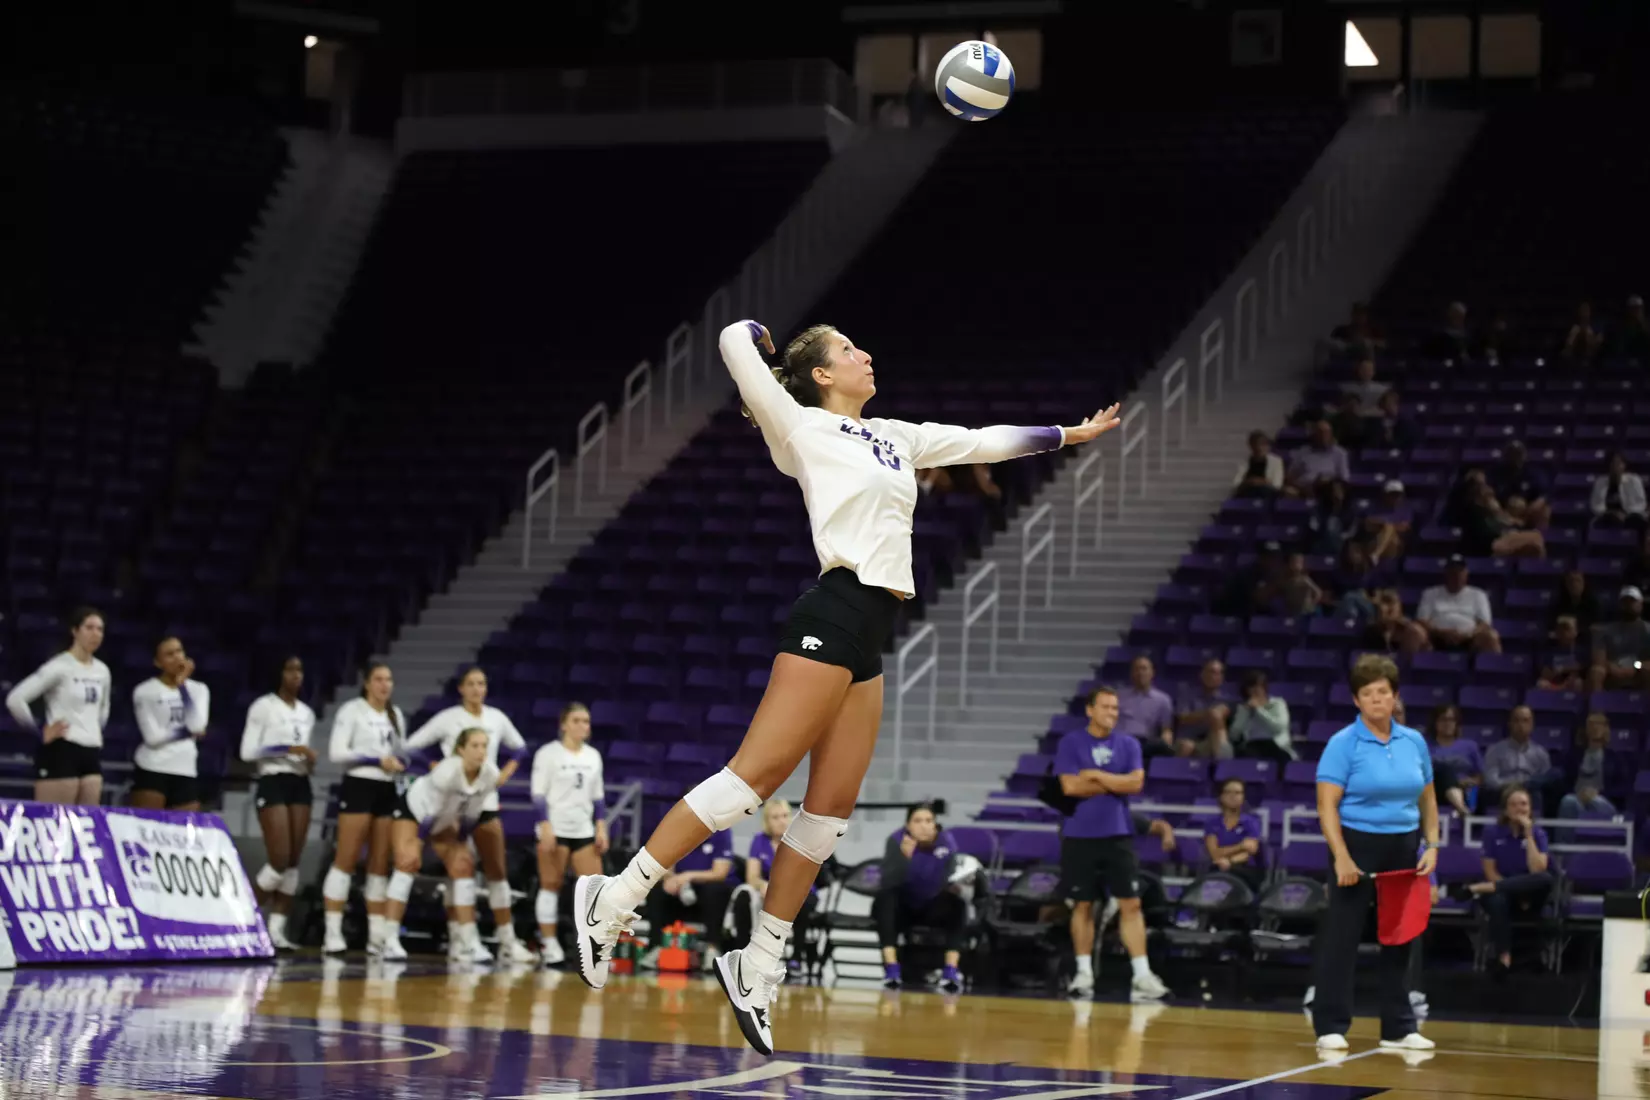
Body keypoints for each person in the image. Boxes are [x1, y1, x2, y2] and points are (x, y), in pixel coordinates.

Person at [571, 320, 1123, 1054]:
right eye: (849, 350)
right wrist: (761, 335)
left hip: (872, 628)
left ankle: (758, 963)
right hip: (833, 609)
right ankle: (613, 898)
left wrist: (1066, 435)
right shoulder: (796, 425)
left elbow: (980, 440)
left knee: (828, 814)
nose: (867, 353)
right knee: (754, 780)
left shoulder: (895, 434)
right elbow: (735, 345)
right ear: (823, 375)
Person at [1312, 654, 1437, 1053]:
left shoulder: (1414, 741)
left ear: (1395, 696)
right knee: (1343, 936)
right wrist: (1341, 856)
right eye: (1367, 693)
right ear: (1357, 701)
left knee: (1401, 937)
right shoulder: (1342, 744)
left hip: (1403, 845)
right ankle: (1330, 1025)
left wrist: (1431, 844)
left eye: (1383, 691)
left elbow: (1428, 799)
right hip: (1355, 842)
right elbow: (1326, 805)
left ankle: (1399, 1027)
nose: (1376, 699)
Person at [405, 668, 535, 964]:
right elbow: (411, 746)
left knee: (497, 871)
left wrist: (505, 774)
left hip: (485, 801)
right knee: (458, 868)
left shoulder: (497, 718)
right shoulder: (448, 718)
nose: (478, 689)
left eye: (482, 684)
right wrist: (437, 765)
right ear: (461, 688)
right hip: (453, 804)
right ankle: (459, 939)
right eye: (472, 684)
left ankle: (507, 942)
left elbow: (520, 748)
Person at [1056, 686, 1168, 1001]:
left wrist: (1095, 776)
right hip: (1079, 835)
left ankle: (1142, 975)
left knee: (1131, 903)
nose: (1112, 713)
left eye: (1116, 708)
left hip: (1118, 834)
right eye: (1106, 707)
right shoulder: (1071, 743)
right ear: (1090, 710)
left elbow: (1136, 783)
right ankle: (1083, 973)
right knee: (1082, 905)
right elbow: (1069, 786)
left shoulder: (1129, 743)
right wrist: (1113, 782)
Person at [380, 728, 501, 961]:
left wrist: (461, 844)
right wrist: (417, 842)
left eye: (484, 746)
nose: (480, 751)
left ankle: (467, 942)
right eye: (474, 746)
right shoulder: (446, 772)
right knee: (408, 862)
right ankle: (389, 938)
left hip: (446, 818)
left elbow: (470, 816)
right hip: (415, 811)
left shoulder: (489, 775)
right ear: (461, 750)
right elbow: (430, 813)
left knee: (464, 865)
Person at [323, 663, 407, 955]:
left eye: (389, 679)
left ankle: (377, 936)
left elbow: (400, 753)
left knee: (380, 864)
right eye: (379, 679)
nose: (385, 685)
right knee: (346, 858)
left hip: (386, 790)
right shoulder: (352, 711)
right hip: (359, 785)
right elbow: (337, 753)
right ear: (367, 684)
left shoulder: (396, 716)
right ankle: (332, 933)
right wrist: (375, 760)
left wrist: (399, 764)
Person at [240, 656, 317, 950]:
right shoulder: (263, 706)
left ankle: (276, 931)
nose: (296, 675)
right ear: (278, 673)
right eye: (290, 669)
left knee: (293, 864)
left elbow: (302, 754)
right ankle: (245, 917)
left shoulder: (307, 713)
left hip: (300, 782)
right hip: (272, 780)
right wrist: (287, 749)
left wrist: (307, 759)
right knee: (279, 858)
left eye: (300, 670)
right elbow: (247, 752)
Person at [5, 607, 111, 805]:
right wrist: (38, 731)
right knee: (54, 822)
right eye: (89, 628)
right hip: (62, 749)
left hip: (91, 751)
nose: (95, 634)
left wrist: (91, 730)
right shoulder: (59, 666)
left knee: (87, 826)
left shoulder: (102, 671)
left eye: (100, 629)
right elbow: (15, 699)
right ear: (75, 631)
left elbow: (103, 710)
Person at [531, 702, 607, 967]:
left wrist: (601, 826)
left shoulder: (593, 756)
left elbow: (598, 797)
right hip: (556, 828)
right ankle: (549, 943)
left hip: (583, 829)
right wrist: (545, 826)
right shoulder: (548, 754)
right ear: (563, 724)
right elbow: (538, 794)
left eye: (586, 721)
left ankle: (593, 946)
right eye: (576, 721)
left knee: (594, 890)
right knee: (550, 885)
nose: (582, 726)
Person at [874, 803, 969, 993]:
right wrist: (904, 858)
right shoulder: (896, 840)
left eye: (929, 821)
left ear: (935, 824)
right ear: (908, 825)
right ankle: (892, 969)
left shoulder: (946, 842)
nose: (924, 826)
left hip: (932, 904)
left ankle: (950, 970)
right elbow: (888, 881)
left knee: (958, 904)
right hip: (904, 906)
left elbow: (949, 876)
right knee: (885, 900)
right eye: (917, 821)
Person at [1460, 786, 1552, 978]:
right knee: (1497, 900)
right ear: (1505, 809)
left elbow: (1537, 870)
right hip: (1503, 894)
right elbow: (1490, 871)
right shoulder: (1492, 833)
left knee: (1546, 879)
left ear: (1530, 808)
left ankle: (1477, 888)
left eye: (1524, 804)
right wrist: (1514, 891)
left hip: (1531, 896)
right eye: (1513, 804)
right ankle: (1504, 957)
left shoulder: (1538, 833)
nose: (1519, 809)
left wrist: (1528, 834)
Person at [733, 799, 817, 976]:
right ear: (767, 821)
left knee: (803, 903)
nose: (782, 821)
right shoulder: (759, 841)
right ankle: (743, 955)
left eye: (785, 816)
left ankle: (796, 958)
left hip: (798, 892)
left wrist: (779, 890)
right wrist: (762, 884)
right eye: (775, 817)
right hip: (768, 894)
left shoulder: (801, 840)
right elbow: (752, 877)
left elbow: (804, 876)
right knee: (743, 898)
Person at [129, 637, 211, 811]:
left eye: (179, 651)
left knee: (183, 834)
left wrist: (182, 686)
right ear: (158, 663)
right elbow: (152, 738)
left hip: (185, 768)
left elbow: (197, 726)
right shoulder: (145, 691)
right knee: (148, 830)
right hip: (153, 767)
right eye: (169, 654)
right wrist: (185, 732)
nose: (177, 657)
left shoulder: (199, 689)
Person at [638, 830, 736, 971]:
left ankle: (712, 948)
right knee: (657, 890)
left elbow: (719, 873)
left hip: (707, 886)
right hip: (681, 888)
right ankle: (658, 946)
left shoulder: (722, 832)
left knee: (716, 890)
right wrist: (669, 878)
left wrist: (687, 876)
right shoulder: (680, 829)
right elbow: (667, 866)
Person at [1416, 556, 1502, 654]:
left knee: (1491, 636)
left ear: (1466, 573)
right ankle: (1405, 667)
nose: (1456, 575)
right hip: (1435, 637)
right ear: (1446, 573)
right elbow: (1422, 620)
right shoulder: (1430, 593)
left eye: (1460, 571)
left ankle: (1494, 668)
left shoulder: (1478, 594)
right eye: (1452, 571)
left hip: (1469, 639)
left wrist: (1468, 634)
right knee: (1414, 631)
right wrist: (1441, 633)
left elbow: (1485, 623)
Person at [1203, 778, 1266, 890]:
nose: (1233, 796)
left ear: (1243, 798)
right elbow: (1214, 853)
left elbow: (1250, 851)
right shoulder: (1212, 823)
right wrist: (1240, 846)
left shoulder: (1251, 822)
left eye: (1237, 793)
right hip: (1218, 866)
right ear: (1221, 796)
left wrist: (1229, 862)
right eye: (1228, 792)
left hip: (1246, 870)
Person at [1559, 712, 1622, 820]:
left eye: (1599, 724)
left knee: (1595, 801)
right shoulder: (1574, 756)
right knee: (1568, 801)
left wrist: (1598, 793)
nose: (1595, 728)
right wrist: (1580, 794)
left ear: (1605, 728)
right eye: (1591, 724)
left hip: (1602, 800)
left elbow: (1622, 788)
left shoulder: (1615, 758)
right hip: (1577, 799)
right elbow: (1565, 782)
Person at [1229, 670, 1295, 763]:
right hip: (1253, 745)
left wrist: (1259, 710)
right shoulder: (1244, 708)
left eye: (1260, 686)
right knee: (1245, 756)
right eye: (1252, 686)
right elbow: (1234, 735)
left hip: (1277, 745)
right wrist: (1245, 713)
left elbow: (1278, 728)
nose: (1256, 689)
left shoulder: (1278, 703)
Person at [1116, 656, 1175, 758]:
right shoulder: (1118, 696)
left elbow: (1166, 728)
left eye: (1144, 669)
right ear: (1131, 674)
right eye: (1137, 669)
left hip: (1146, 744)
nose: (1140, 673)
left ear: (1152, 673)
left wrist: (1167, 736)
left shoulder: (1163, 699)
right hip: (1120, 741)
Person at [1173, 659, 1232, 760]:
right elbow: (1182, 718)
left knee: (1217, 723)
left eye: (1218, 674)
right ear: (1202, 674)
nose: (1214, 676)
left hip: (1211, 741)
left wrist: (1214, 715)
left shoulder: (1226, 700)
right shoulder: (1187, 695)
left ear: (1221, 678)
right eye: (1211, 672)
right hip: (1188, 739)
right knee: (1186, 747)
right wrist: (1208, 714)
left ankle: (1223, 766)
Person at [1590, 451, 1648, 531]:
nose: (1615, 466)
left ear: (1624, 465)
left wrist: (1626, 515)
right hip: (1608, 516)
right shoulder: (1600, 482)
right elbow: (1596, 506)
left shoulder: (1634, 480)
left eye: (1619, 463)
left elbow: (1641, 504)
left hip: (1631, 516)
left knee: (1637, 521)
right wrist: (1612, 513)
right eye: (1612, 463)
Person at [1233, 431, 1284, 498]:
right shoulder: (1244, 462)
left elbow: (1277, 484)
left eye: (1263, 445)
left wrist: (1261, 482)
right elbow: (1236, 483)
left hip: (1268, 492)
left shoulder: (1276, 461)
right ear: (1251, 446)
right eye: (1256, 445)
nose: (1259, 448)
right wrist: (1249, 482)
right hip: (1248, 490)